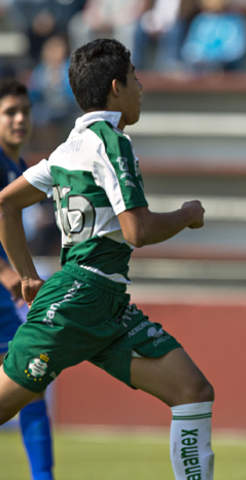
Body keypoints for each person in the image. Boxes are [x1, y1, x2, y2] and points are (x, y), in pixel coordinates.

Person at [0, 39, 215, 479]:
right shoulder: (112, 142)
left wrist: (26, 274)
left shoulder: (67, 148)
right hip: (81, 297)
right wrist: (187, 216)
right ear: (117, 88)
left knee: (192, 390)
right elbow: (137, 231)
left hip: (104, 302)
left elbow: (5, 204)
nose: (141, 89)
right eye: (136, 80)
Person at [0, 78, 55, 480]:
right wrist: (6, 271)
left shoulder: (19, 168)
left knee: (30, 382)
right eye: (9, 112)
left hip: (6, 299)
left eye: (24, 112)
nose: (20, 119)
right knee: (29, 380)